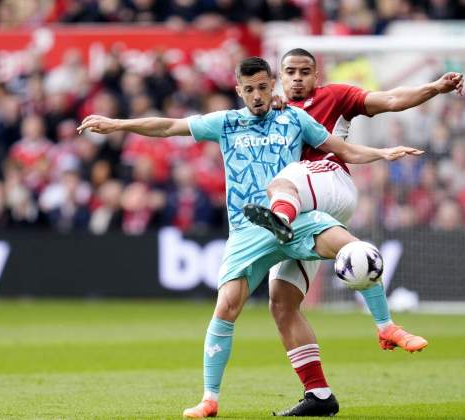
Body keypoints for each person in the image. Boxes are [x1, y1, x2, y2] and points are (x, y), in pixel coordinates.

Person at [77, 56, 422, 418]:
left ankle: (386, 326)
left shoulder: (294, 119)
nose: (257, 96)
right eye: (250, 89)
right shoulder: (226, 123)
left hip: (296, 218)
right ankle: (209, 399)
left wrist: (382, 153)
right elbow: (167, 127)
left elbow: (344, 149)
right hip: (247, 230)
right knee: (227, 307)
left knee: (354, 248)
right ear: (239, 90)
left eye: (263, 87)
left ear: (272, 86)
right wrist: (117, 124)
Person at [244, 48, 464, 415]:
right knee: (282, 303)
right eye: (290, 72)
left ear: (317, 75)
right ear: (279, 77)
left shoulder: (336, 96)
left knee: (288, 178)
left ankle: (278, 219)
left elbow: (392, 99)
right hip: (305, 209)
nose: (297, 78)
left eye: (305, 72)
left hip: (328, 181)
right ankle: (323, 391)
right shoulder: (267, 109)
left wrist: (435, 88)